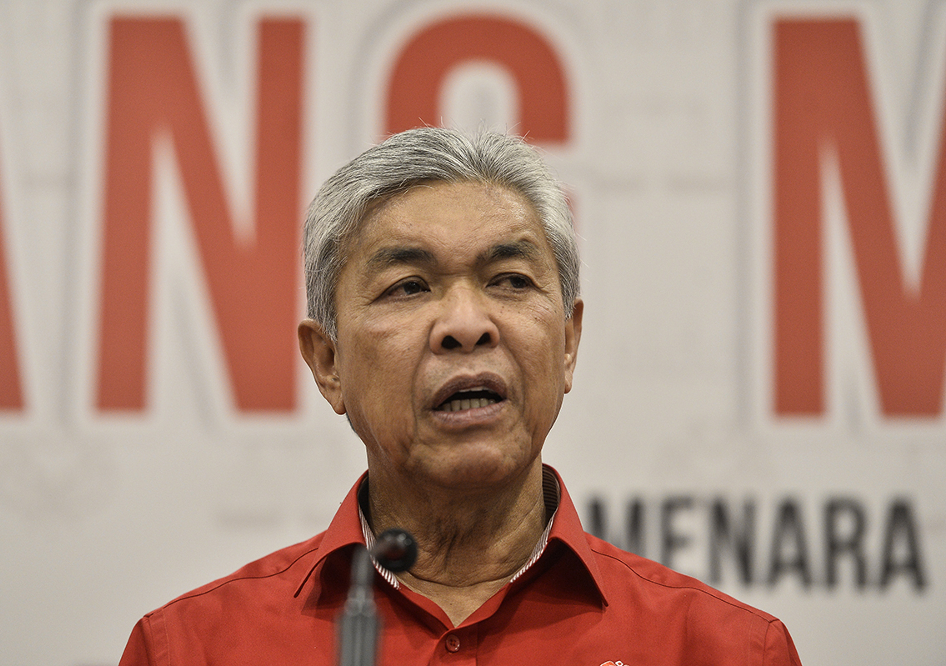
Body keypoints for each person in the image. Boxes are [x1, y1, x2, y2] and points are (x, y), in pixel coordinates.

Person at [118, 127, 802, 665]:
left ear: (568, 343)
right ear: (328, 363)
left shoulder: (724, 651)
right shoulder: (190, 649)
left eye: (508, 279)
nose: (467, 325)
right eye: (409, 287)